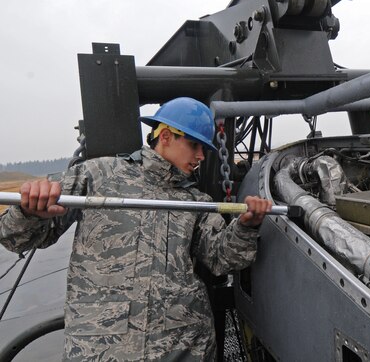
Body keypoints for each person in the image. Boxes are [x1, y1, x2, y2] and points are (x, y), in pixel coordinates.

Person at [0, 97, 272, 361]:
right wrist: (29, 212)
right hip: (103, 349)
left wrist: (245, 226)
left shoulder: (195, 202)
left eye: (204, 149)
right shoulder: (99, 175)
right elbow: (14, 239)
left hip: (185, 347)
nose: (201, 156)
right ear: (165, 136)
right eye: (194, 145)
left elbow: (221, 259)